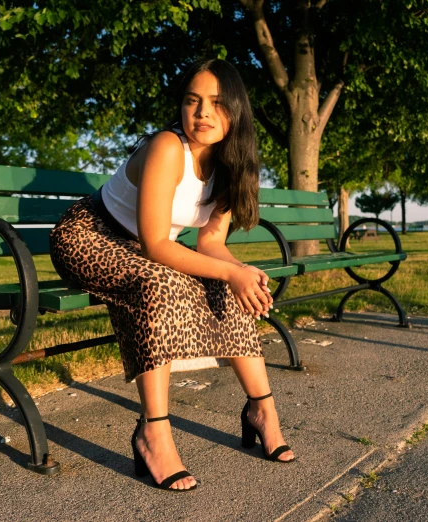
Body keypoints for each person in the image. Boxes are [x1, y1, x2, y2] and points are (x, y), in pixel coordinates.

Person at [49, 59, 294, 492]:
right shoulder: (166, 146)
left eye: (216, 104)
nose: (202, 113)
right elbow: (156, 247)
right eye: (192, 101)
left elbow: (210, 245)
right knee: (156, 282)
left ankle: (262, 409)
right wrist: (228, 273)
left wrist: (242, 272)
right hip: (86, 237)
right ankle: (154, 432)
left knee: (225, 283)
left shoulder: (234, 168)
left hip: (138, 248)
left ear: (236, 111)